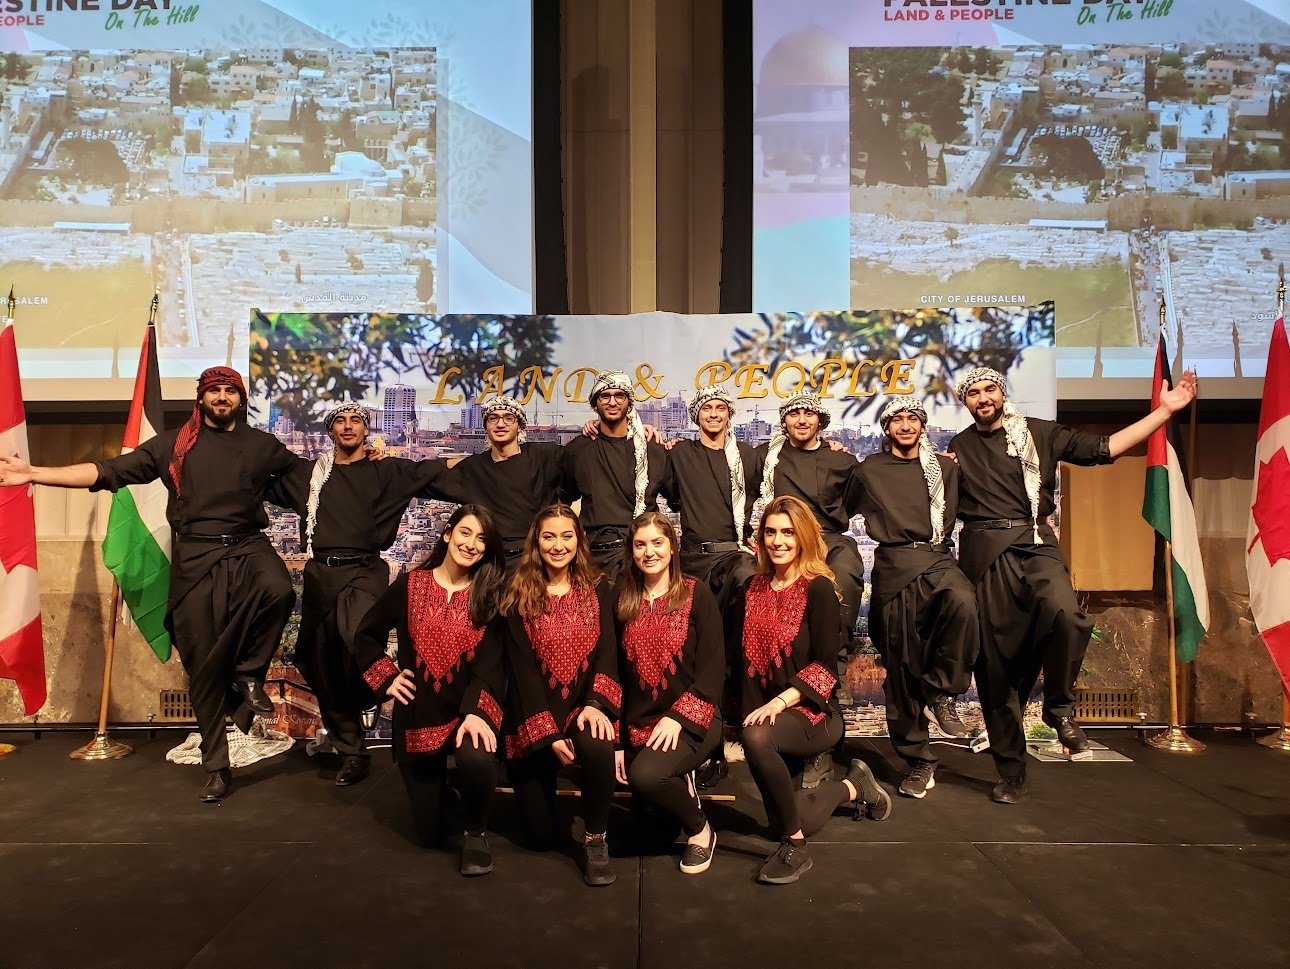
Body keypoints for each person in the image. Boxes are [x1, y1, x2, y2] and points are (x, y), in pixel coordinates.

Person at [0, 367, 296, 802]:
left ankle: (248, 673)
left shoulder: (261, 445)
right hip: (195, 556)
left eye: (229, 391)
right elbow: (105, 471)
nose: (221, 397)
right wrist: (34, 473)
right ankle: (217, 766)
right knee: (202, 665)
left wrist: (370, 460)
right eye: (213, 390)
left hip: (248, 547)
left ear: (240, 399)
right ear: (201, 398)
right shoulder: (173, 445)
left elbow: (317, 478)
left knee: (280, 590)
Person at [950, 366, 1198, 803]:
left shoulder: (1042, 433)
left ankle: (1060, 707)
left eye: (990, 389)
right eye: (973, 393)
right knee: (995, 671)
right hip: (984, 553)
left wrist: (1164, 412)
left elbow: (1106, 448)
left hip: (1034, 542)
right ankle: (1012, 771)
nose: (983, 398)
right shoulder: (959, 447)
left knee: (1068, 617)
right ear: (965, 401)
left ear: (1002, 394)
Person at [265, 401, 458, 787]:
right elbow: (257, 474)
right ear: (331, 430)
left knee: (359, 636)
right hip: (321, 574)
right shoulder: (311, 475)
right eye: (341, 421)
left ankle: (380, 689)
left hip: (365, 570)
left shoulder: (384, 469)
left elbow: (439, 468)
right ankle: (351, 750)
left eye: (356, 420)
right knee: (318, 658)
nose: (349, 426)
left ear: (367, 429)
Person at [732, 495, 892, 885]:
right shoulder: (750, 588)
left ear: (803, 537)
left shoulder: (818, 589)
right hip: (767, 718)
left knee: (758, 743)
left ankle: (796, 850)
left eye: (788, 532)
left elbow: (826, 666)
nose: (778, 541)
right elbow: (736, 664)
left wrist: (781, 701)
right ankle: (853, 786)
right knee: (789, 814)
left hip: (814, 714)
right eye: (770, 532)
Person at [350, 505, 507, 876]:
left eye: (481, 539)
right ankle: (450, 795)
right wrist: (387, 678)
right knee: (430, 835)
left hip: (469, 708)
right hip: (419, 712)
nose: (471, 544)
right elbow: (366, 636)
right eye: (465, 533)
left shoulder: (489, 594)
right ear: (448, 534)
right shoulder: (411, 584)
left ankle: (476, 832)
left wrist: (476, 711)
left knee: (477, 755)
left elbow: (492, 663)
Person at [854, 396, 977, 799]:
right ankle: (919, 760)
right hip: (893, 566)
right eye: (897, 420)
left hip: (937, 558)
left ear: (922, 426)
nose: (906, 426)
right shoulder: (868, 469)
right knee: (902, 669)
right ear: (886, 428)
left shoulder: (944, 468)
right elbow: (837, 502)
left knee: (964, 603)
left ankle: (943, 690)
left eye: (913, 419)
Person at [500, 503, 622, 886]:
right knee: (540, 838)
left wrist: (596, 704)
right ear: (536, 541)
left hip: (582, 708)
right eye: (549, 536)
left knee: (599, 740)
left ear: (578, 540)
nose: (558, 545)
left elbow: (607, 650)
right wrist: (548, 735)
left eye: (566, 536)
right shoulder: (517, 591)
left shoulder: (598, 586)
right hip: (535, 716)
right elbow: (522, 670)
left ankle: (596, 837)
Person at [755, 391, 865, 788]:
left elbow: (858, 497)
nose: (801, 419)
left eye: (809, 414)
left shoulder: (842, 460)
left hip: (828, 538)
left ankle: (834, 656)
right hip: (783, 541)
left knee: (848, 574)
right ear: (784, 421)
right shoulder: (766, 457)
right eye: (794, 413)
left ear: (821, 421)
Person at [658, 384, 760, 789]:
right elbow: (655, 478)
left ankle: (729, 732)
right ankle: (706, 744)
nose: (714, 414)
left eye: (721, 408)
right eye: (707, 409)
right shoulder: (680, 454)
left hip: (732, 554)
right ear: (696, 416)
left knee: (729, 647)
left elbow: (774, 477)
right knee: (694, 652)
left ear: (729, 414)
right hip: (694, 558)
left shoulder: (748, 456)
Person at [613, 511, 724, 875]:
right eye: (640, 544)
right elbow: (612, 672)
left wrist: (678, 718)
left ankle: (701, 830)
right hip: (639, 723)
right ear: (632, 550)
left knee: (646, 776)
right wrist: (616, 740)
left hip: (694, 718)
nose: (649, 552)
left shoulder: (696, 593)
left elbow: (711, 670)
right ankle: (679, 782)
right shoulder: (623, 597)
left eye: (657, 543)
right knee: (649, 831)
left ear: (673, 547)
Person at [562, 370, 668, 584]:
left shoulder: (652, 450)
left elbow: (678, 497)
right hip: (593, 556)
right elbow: (563, 499)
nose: (612, 402)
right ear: (595, 404)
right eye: (605, 396)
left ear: (629, 403)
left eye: (619, 396)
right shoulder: (578, 450)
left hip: (642, 554)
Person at [435, 395, 564, 569]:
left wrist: (593, 428)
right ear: (486, 427)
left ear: (519, 426)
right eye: (493, 419)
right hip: (488, 563)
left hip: (532, 562)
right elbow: (425, 474)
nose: (500, 424)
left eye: (508, 418)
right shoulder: (475, 466)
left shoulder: (543, 456)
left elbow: (581, 460)